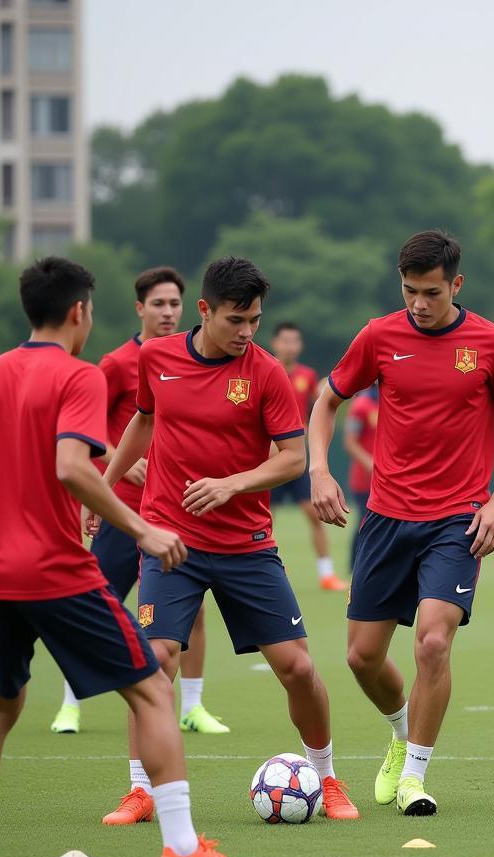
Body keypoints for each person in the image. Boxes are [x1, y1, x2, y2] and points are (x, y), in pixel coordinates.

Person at [0, 256, 258, 857]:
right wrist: (141, 527)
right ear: (80, 311)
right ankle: (185, 851)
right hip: (55, 569)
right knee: (150, 692)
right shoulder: (79, 376)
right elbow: (71, 466)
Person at [99, 257, 359, 821]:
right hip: (171, 540)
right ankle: (142, 788)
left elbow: (293, 459)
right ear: (204, 311)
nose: (247, 333)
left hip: (246, 544)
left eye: (255, 321)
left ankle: (327, 775)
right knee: (155, 659)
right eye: (236, 320)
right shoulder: (156, 357)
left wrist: (231, 485)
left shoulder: (265, 372)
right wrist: (105, 484)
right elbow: (142, 420)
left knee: (298, 668)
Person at [309, 229, 494, 816]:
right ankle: (402, 730)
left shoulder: (492, 342)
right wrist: (319, 471)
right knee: (361, 657)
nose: (418, 303)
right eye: (409, 291)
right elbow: (326, 402)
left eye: (431, 292)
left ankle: (415, 775)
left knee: (433, 642)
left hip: (457, 520)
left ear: (456, 285)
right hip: (385, 518)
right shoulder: (379, 335)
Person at [50, 267, 229, 751]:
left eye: (174, 303)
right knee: (97, 601)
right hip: (120, 510)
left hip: (175, 511)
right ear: (140, 309)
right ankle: (71, 700)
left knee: (191, 614)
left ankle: (192, 707)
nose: (167, 312)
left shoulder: (194, 358)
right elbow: (81, 427)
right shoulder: (116, 363)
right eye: (158, 304)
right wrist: (117, 463)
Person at [268, 322, 346, 591]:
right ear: (275, 343)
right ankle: (269, 573)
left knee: (314, 516)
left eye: (295, 341)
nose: (290, 346)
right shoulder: (266, 370)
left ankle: (327, 575)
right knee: (265, 520)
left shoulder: (307, 375)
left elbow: (321, 407)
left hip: (298, 460)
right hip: (270, 460)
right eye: (285, 340)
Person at [343, 384, 379, 571]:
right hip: (364, 480)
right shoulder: (361, 405)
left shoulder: (393, 401)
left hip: (389, 479)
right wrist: (372, 466)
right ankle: (355, 565)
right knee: (365, 521)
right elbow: (350, 442)